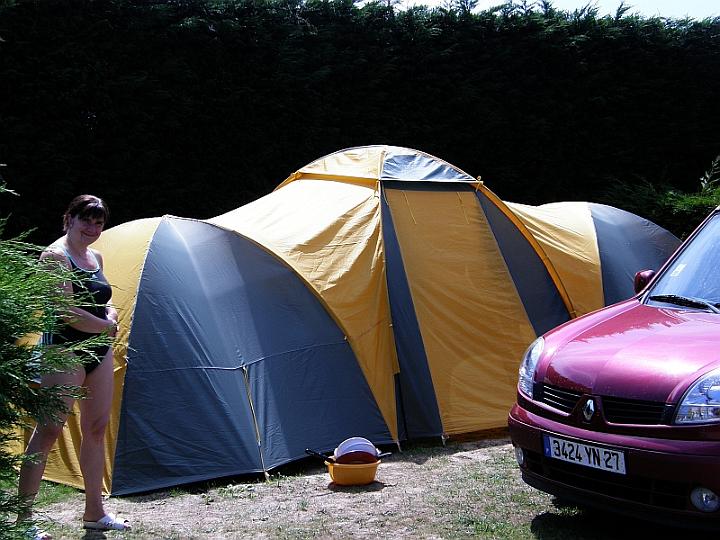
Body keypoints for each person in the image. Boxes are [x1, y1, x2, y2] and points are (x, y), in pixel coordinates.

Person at [18, 195, 131, 540]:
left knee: (96, 428)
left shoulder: (96, 257)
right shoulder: (54, 256)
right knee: (49, 430)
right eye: (86, 220)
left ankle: (95, 512)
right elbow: (67, 312)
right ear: (69, 218)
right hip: (63, 350)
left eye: (99, 222)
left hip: (98, 351)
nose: (92, 228)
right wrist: (107, 326)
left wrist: (110, 314)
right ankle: (23, 520)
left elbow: (101, 300)